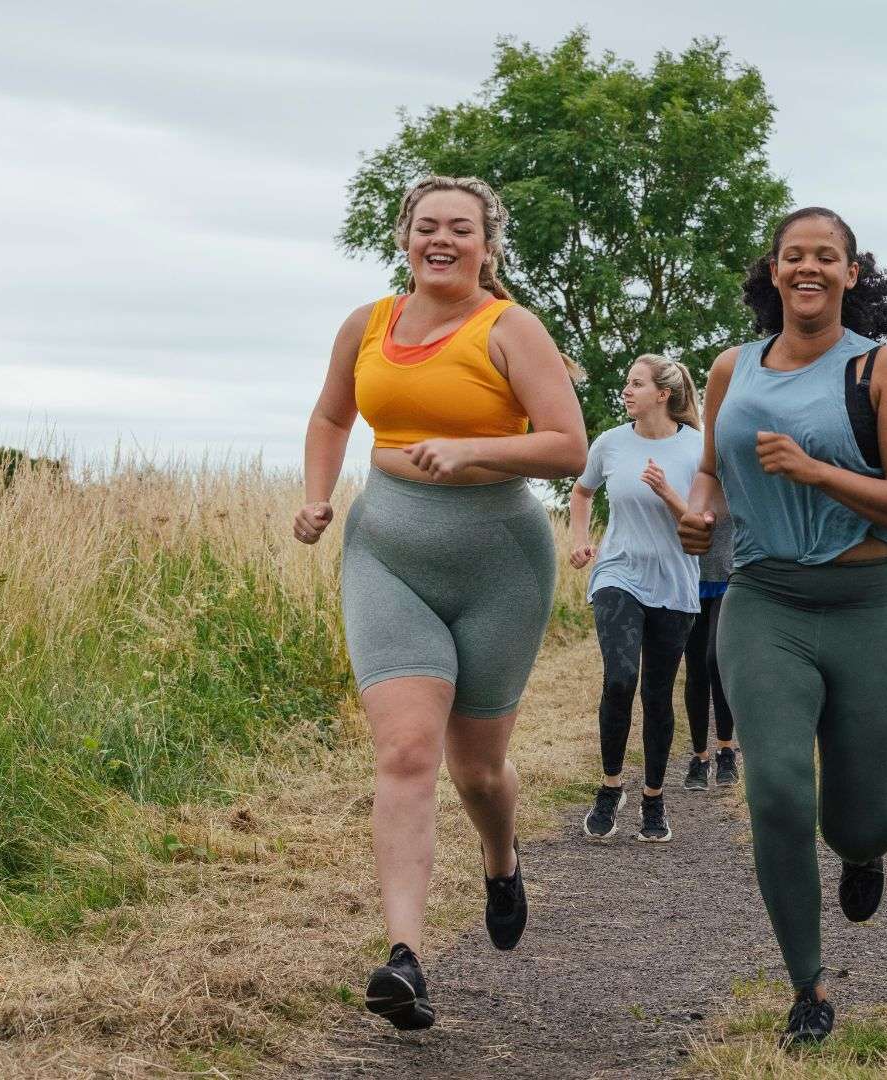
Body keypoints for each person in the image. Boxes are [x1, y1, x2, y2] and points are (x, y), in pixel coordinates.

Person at [294, 175, 587, 1030]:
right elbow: (328, 419)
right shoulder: (369, 324)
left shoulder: (510, 329)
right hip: (387, 553)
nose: (443, 241)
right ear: (405, 237)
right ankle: (405, 960)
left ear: (487, 244)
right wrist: (318, 496)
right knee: (407, 752)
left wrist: (471, 451)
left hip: (500, 563)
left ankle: (501, 856)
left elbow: (567, 447)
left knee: (478, 768)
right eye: (428, 228)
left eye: (461, 229)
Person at [675, 207, 887, 1045]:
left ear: (852, 274)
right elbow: (713, 473)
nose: (809, 268)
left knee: (862, 820)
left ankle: (862, 855)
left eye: (827, 256)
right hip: (766, 603)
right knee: (778, 790)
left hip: (869, 609)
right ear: (775, 270)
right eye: (794, 256)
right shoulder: (730, 370)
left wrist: (816, 470)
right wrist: (699, 513)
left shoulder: (881, 370)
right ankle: (809, 987)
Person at [567, 356, 704, 843]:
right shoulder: (609, 442)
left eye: (635, 383)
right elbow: (581, 494)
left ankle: (653, 797)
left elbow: (704, 523)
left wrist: (668, 492)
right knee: (621, 678)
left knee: (657, 694)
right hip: (617, 573)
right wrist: (579, 540)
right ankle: (609, 787)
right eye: (626, 382)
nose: (625, 391)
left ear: (663, 394)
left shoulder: (696, 448)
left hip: (675, 582)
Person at [643, 458, 740, 792]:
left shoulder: (740, 473)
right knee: (696, 668)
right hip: (691, 581)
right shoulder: (692, 475)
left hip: (731, 578)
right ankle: (699, 757)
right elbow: (685, 521)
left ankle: (726, 749)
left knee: (717, 659)